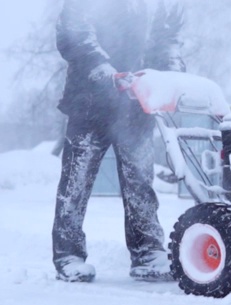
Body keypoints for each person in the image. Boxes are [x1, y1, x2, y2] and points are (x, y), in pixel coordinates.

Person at [52, 0, 186, 282]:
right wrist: (100, 66)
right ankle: (69, 254)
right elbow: (73, 28)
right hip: (89, 101)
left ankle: (147, 253)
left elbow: (167, 36)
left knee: (140, 183)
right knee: (76, 181)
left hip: (135, 105)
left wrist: (171, 71)